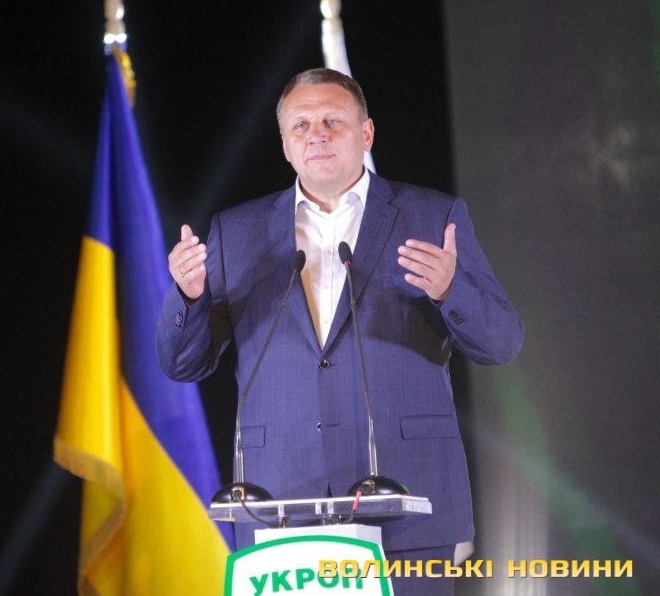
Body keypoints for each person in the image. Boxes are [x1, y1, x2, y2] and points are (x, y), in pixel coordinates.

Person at [155, 68, 523, 596]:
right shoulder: (235, 232)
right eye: (301, 126)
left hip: (407, 503)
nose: (317, 135)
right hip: (280, 503)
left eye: (333, 121)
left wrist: (450, 291)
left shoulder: (432, 215)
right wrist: (188, 298)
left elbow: (501, 343)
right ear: (285, 145)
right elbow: (182, 363)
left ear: (366, 133)